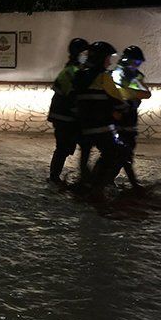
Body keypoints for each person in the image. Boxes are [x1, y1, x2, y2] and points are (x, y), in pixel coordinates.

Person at [74, 41, 150, 203]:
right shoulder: (104, 77)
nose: (109, 61)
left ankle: (86, 184)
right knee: (118, 153)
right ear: (102, 58)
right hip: (102, 125)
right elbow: (119, 100)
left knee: (89, 156)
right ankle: (97, 190)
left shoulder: (81, 75)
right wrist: (129, 102)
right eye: (108, 58)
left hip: (84, 126)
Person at [47, 38, 89, 184]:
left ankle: (85, 176)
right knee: (63, 148)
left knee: (82, 145)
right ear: (78, 53)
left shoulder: (76, 69)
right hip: (64, 117)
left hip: (69, 116)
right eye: (85, 52)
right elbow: (72, 95)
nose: (87, 55)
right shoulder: (71, 71)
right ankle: (54, 176)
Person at [111, 45, 152, 193]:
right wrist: (132, 96)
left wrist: (131, 97)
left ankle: (107, 180)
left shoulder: (134, 76)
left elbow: (146, 94)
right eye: (135, 62)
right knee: (122, 153)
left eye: (139, 63)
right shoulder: (117, 74)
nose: (137, 65)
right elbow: (116, 94)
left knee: (125, 152)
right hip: (118, 118)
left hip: (129, 119)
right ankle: (130, 183)